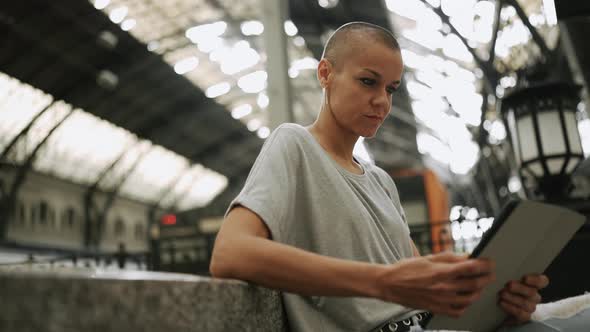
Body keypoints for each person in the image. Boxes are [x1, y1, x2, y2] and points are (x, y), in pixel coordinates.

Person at [209, 22, 574, 332]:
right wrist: (384, 282)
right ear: (325, 74)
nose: (383, 101)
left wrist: (498, 303)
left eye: (391, 89)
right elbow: (230, 254)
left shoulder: (382, 182)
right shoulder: (294, 144)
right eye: (368, 82)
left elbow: (422, 285)